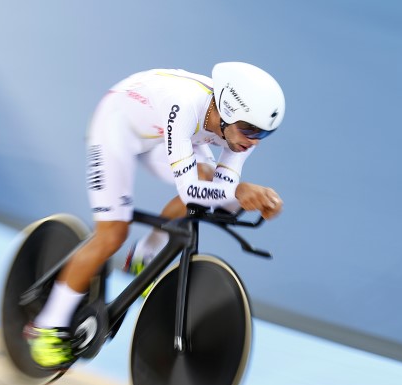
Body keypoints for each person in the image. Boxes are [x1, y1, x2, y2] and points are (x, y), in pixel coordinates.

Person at [26, 62, 286, 369]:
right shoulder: (187, 104)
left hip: (162, 136)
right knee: (112, 235)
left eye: (264, 135)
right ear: (228, 110)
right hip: (118, 128)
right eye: (250, 130)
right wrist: (239, 194)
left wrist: (253, 200)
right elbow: (192, 191)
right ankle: (46, 325)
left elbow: (221, 190)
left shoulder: (241, 130)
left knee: (209, 191)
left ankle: (145, 254)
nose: (254, 141)